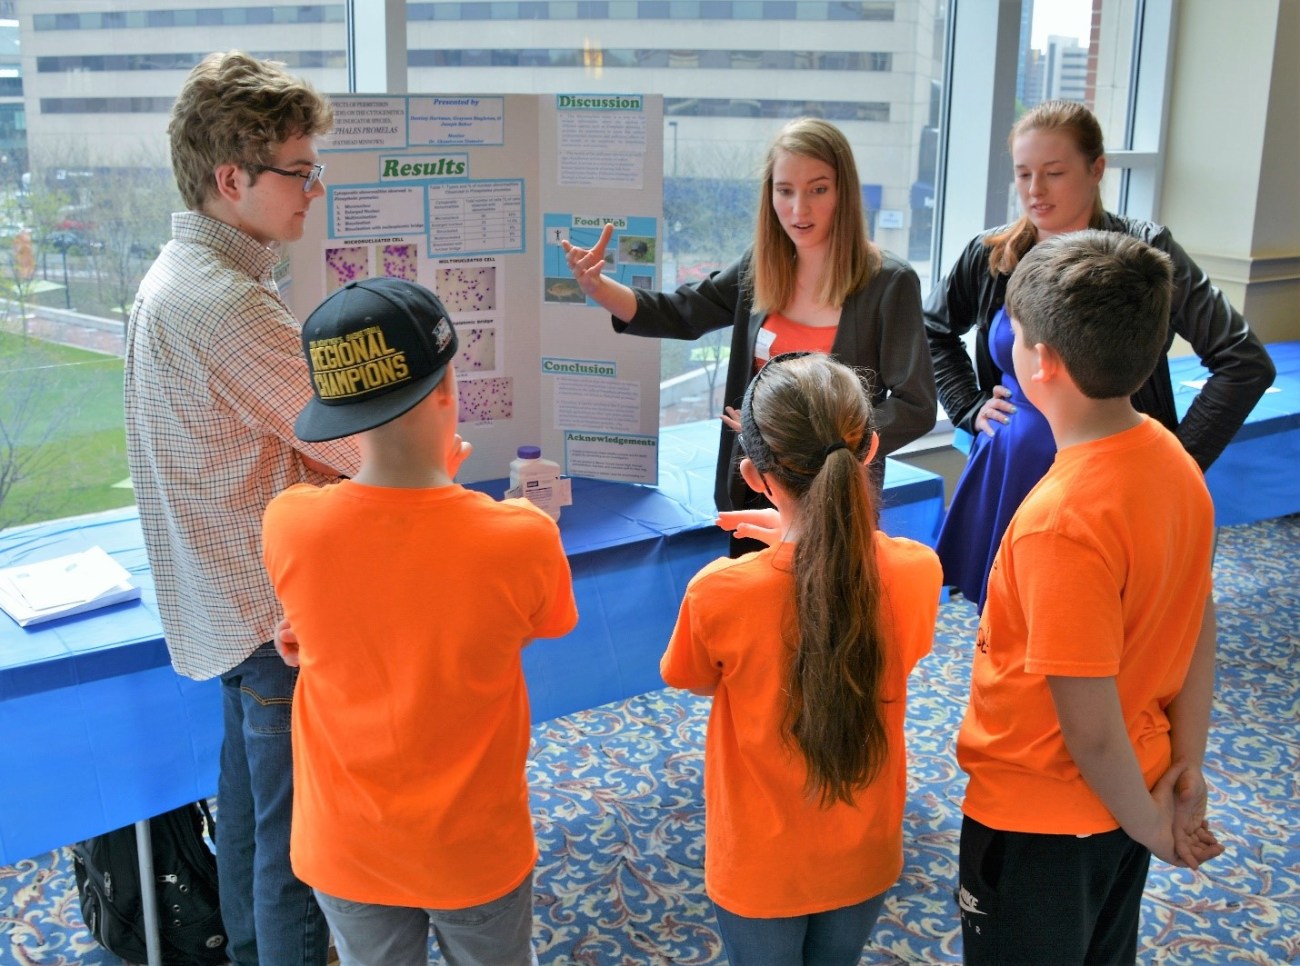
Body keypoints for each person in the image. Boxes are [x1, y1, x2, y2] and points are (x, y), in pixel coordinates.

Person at [262, 277, 579, 966]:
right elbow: (539, 621)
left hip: (345, 843)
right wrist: (453, 487)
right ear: (446, 390)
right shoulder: (521, 537)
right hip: (472, 847)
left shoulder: (290, 522)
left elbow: (344, 601)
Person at [123, 51, 358, 965]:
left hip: (233, 610)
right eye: (299, 172)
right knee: (297, 853)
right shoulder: (227, 306)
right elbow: (359, 447)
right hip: (274, 621)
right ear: (232, 179)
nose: (313, 192)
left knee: (257, 831)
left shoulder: (177, 277)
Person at [955, 230, 1225, 964]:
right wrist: (1184, 770)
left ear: (1041, 362)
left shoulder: (1061, 522)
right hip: (1133, 792)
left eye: (1015, 334)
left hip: (1040, 821)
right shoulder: (1175, 461)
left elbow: (1090, 727)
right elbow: (1199, 628)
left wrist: (1154, 828)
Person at [925, 99, 1275, 611]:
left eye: (1054, 173)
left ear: (1096, 169)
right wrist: (968, 405)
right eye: (1023, 174)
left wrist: (1177, 461)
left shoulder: (1144, 251)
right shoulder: (990, 252)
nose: (1035, 190)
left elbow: (1244, 361)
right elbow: (932, 328)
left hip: (1112, 478)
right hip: (1011, 463)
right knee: (1005, 619)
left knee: (1092, 620)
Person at [661, 351, 942, 966]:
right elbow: (898, 644)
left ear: (753, 475)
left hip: (760, 864)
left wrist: (789, 545)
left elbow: (692, 677)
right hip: (865, 850)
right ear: (870, 448)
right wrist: (807, 540)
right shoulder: (919, 571)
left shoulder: (720, 592)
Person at [563, 117, 936, 550]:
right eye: (785, 191)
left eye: (818, 190)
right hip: (755, 488)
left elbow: (915, 406)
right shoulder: (760, 267)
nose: (799, 209)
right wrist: (599, 288)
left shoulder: (888, 282)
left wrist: (808, 440)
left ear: (844, 192)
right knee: (750, 592)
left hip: (836, 499)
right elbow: (682, 312)